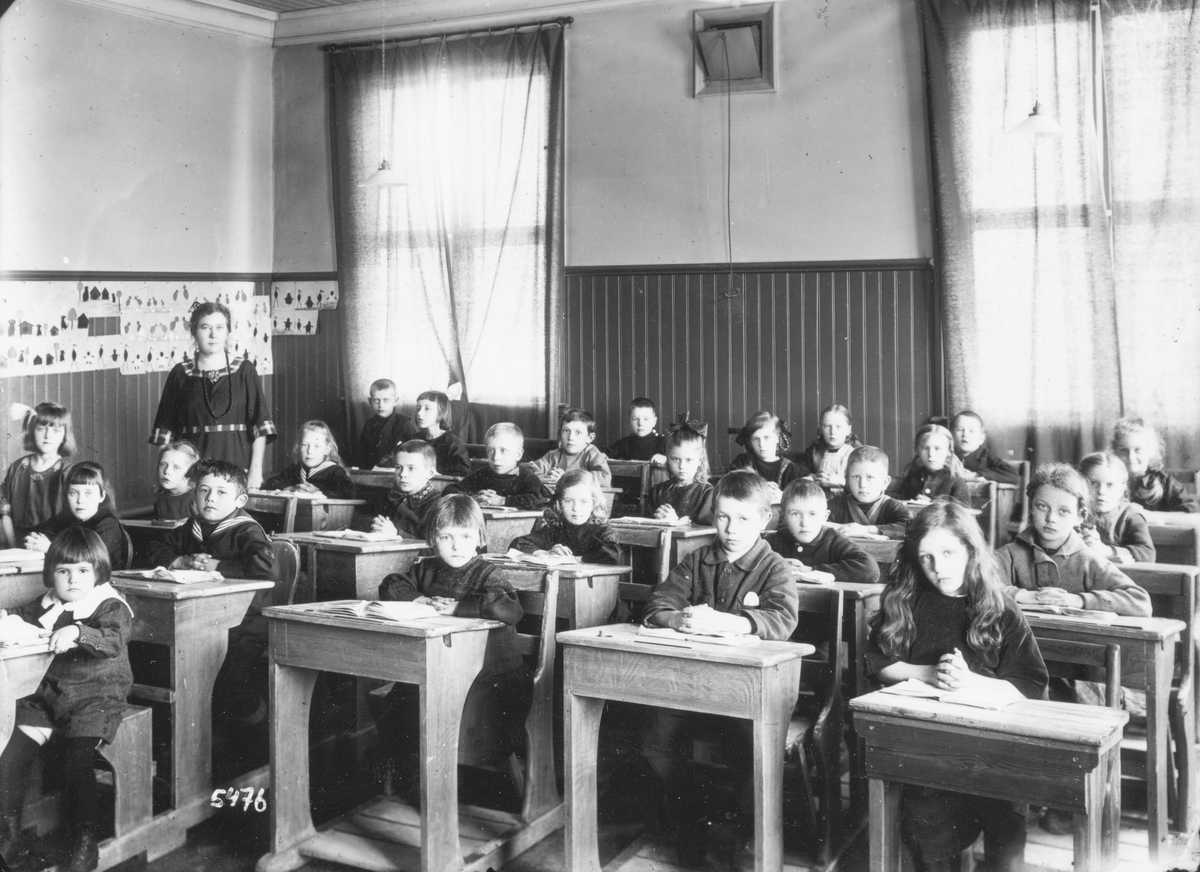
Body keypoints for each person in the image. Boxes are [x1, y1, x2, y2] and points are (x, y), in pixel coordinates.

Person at [865, 501, 1047, 872]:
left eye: (948, 553)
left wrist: (969, 682)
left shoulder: (1000, 608)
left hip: (994, 753)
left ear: (969, 550)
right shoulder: (906, 600)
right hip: (928, 749)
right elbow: (880, 663)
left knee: (1006, 833)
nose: (939, 568)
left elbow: (1030, 684)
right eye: (927, 557)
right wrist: (929, 674)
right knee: (927, 830)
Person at [640, 470, 798, 867]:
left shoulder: (774, 566)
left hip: (746, 693)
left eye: (743, 519)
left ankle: (743, 839)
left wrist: (734, 622)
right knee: (655, 744)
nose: (731, 529)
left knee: (750, 752)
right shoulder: (698, 559)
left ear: (764, 519)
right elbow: (658, 603)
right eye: (723, 517)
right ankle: (693, 824)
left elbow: (782, 619)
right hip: (691, 685)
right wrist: (675, 618)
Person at [372, 495, 530, 801]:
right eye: (446, 537)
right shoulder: (425, 568)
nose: (456, 546)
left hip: (489, 674)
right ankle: (418, 773)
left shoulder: (487, 573)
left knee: (457, 706)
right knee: (402, 696)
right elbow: (391, 584)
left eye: (465, 537)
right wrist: (420, 599)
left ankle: (447, 780)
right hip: (438, 668)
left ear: (480, 539)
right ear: (433, 539)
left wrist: (459, 607)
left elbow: (510, 609)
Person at [0, 527, 133, 872]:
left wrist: (77, 631)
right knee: (10, 755)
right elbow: (21, 616)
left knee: (76, 762)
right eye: (63, 571)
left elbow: (112, 639)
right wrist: (6, 617)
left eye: (83, 571)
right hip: (47, 697)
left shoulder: (109, 605)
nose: (73, 580)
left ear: (98, 572)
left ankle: (86, 841)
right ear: (52, 574)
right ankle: (8, 837)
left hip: (96, 698)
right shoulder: (49, 601)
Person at [995, 463, 1151, 617]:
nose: (1051, 518)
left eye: (1063, 511)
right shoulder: (1009, 554)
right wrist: (1021, 595)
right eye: (1042, 506)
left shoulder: (1089, 561)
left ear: (1079, 517)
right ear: (1031, 508)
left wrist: (1078, 600)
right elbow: (980, 584)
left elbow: (1140, 602)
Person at [148, 301, 276, 488]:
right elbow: (165, 430)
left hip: (236, 464)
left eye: (219, 327)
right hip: (190, 472)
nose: (213, 334)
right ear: (194, 331)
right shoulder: (180, 373)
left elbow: (259, 426)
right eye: (205, 327)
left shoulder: (244, 370)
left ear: (228, 331)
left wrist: (255, 472)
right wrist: (166, 474)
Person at [145, 459, 274, 580]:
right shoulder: (193, 526)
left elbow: (267, 568)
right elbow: (154, 547)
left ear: (240, 501)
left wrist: (217, 567)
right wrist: (179, 562)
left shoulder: (247, 530)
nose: (210, 498)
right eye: (204, 490)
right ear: (195, 496)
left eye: (221, 492)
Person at [770, 480, 878, 583]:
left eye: (812, 514)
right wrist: (776, 565)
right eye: (795, 514)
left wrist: (812, 570)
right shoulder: (774, 540)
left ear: (825, 517)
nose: (804, 523)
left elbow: (870, 570)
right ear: (783, 517)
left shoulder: (835, 540)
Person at [1, 402, 76, 548]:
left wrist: (52, 547)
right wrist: (13, 546)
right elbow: (5, 513)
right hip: (16, 544)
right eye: (41, 429)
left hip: (52, 547)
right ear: (31, 431)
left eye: (55, 430)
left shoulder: (68, 471)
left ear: (64, 435)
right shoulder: (17, 467)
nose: (47, 436)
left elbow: (73, 522)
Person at [26, 462, 126, 570]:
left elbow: (90, 559)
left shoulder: (107, 524)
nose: (80, 500)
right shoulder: (67, 518)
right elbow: (39, 532)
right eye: (73, 493)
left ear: (101, 496)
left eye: (88, 493)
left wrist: (51, 548)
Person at [510, 469, 620, 564]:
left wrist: (574, 559)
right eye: (568, 501)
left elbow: (613, 555)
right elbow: (519, 543)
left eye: (583, 501)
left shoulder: (601, 529)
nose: (575, 508)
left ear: (594, 502)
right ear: (559, 503)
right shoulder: (556, 528)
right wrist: (546, 553)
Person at [447, 423, 550, 510]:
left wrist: (502, 501)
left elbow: (541, 500)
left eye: (503, 451)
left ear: (518, 455)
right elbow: (449, 491)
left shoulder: (526, 476)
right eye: (490, 451)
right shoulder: (481, 475)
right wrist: (472, 498)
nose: (495, 457)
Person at [1078, 451, 1155, 564]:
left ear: (1121, 490)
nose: (1101, 491)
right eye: (1093, 483)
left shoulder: (1130, 517)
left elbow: (1148, 554)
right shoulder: (1074, 512)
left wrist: (1107, 551)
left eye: (1110, 485)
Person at [1110, 417, 1198, 513]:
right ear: (1115, 452)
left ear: (1151, 450)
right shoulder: (1108, 480)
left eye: (1137, 450)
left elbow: (1195, 516)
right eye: (1123, 450)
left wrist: (1148, 516)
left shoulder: (1165, 483)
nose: (1131, 457)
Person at [827, 445, 911, 539]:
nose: (862, 484)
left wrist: (867, 529)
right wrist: (842, 528)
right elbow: (817, 522)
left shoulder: (893, 506)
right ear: (847, 480)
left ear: (885, 482)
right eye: (856, 477)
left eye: (869, 477)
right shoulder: (836, 505)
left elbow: (910, 528)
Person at [261, 420, 355, 498]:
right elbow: (270, 483)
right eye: (305, 445)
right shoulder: (295, 470)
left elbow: (349, 492)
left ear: (327, 449)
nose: (310, 451)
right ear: (299, 447)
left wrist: (319, 490)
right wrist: (290, 488)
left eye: (316, 446)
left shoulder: (334, 471)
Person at [371, 441, 441, 539]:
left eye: (411, 468)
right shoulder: (389, 497)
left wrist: (397, 533)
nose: (402, 474)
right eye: (398, 467)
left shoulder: (439, 504)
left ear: (430, 473)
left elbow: (434, 544)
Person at [527, 408, 612, 488]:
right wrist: (546, 478)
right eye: (566, 431)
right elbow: (529, 469)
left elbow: (604, 478)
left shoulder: (591, 453)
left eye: (578, 432)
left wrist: (567, 477)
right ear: (560, 433)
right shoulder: (554, 455)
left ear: (589, 438)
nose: (571, 437)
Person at [728, 411, 802, 501]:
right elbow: (727, 487)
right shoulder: (742, 462)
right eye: (756, 439)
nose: (762, 444)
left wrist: (783, 496)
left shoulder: (790, 469)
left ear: (777, 438)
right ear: (750, 441)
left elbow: (800, 499)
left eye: (766, 438)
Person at [646, 425, 713, 523]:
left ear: (699, 461)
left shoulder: (707, 493)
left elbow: (708, 530)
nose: (682, 466)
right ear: (668, 459)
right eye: (676, 459)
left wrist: (676, 522)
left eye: (688, 460)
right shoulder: (657, 491)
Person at [892, 424, 971, 505]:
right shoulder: (913, 477)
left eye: (937, 448)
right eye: (925, 448)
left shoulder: (955, 481)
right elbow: (900, 505)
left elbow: (963, 511)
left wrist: (931, 506)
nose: (931, 454)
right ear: (917, 450)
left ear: (948, 451)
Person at [795, 403, 862, 496]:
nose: (833, 432)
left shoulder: (856, 454)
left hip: (846, 502)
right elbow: (799, 476)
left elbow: (863, 485)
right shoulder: (813, 452)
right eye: (827, 426)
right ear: (821, 429)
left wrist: (842, 482)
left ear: (848, 430)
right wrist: (813, 478)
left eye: (838, 427)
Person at [357, 379, 418, 470]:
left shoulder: (404, 423)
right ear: (370, 401)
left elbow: (415, 452)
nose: (381, 405)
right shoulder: (369, 424)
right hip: (372, 471)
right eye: (376, 400)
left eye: (386, 400)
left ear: (395, 401)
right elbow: (362, 455)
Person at [951, 411, 1019, 484]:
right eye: (960, 429)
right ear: (952, 436)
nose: (965, 434)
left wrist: (977, 474)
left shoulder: (986, 455)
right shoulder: (948, 455)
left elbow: (1013, 475)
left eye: (971, 431)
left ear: (981, 439)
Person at [413, 390, 471, 476]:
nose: (419, 413)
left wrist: (438, 473)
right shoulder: (414, 439)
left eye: (427, 409)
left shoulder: (450, 442)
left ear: (442, 412)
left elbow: (464, 469)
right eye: (418, 408)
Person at [606, 398, 668, 463]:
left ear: (654, 421)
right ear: (629, 421)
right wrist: (603, 455)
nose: (640, 424)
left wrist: (666, 458)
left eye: (646, 419)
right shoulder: (623, 444)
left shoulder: (664, 443)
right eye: (635, 419)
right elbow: (605, 453)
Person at [152, 440, 200, 521]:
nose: (167, 471)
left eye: (176, 467)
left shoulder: (196, 501)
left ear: (191, 472)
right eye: (163, 464)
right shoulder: (161, 500)